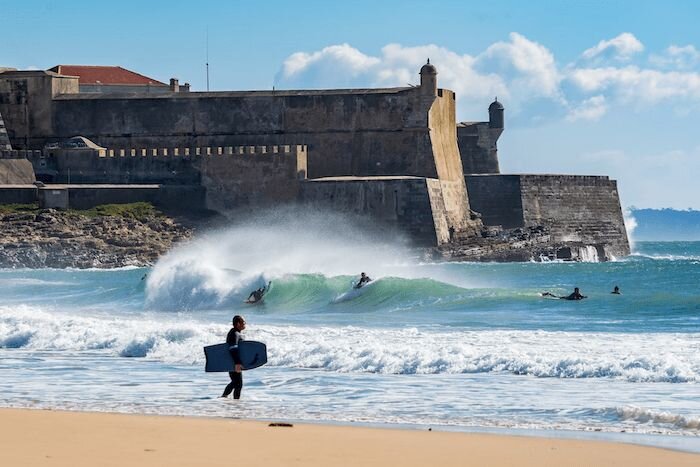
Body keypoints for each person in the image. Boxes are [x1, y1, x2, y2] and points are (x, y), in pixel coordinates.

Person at [221, 315, 246, 399]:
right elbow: (233, 348)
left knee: (237, 383)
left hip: (233, 361)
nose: (245, 324)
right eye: (243, 322)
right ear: (238, 323)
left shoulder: (235, 332)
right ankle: (225, 397)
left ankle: (230, 399)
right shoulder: (234, 333)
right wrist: (237, 363)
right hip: (233, 362)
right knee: (237, 383)